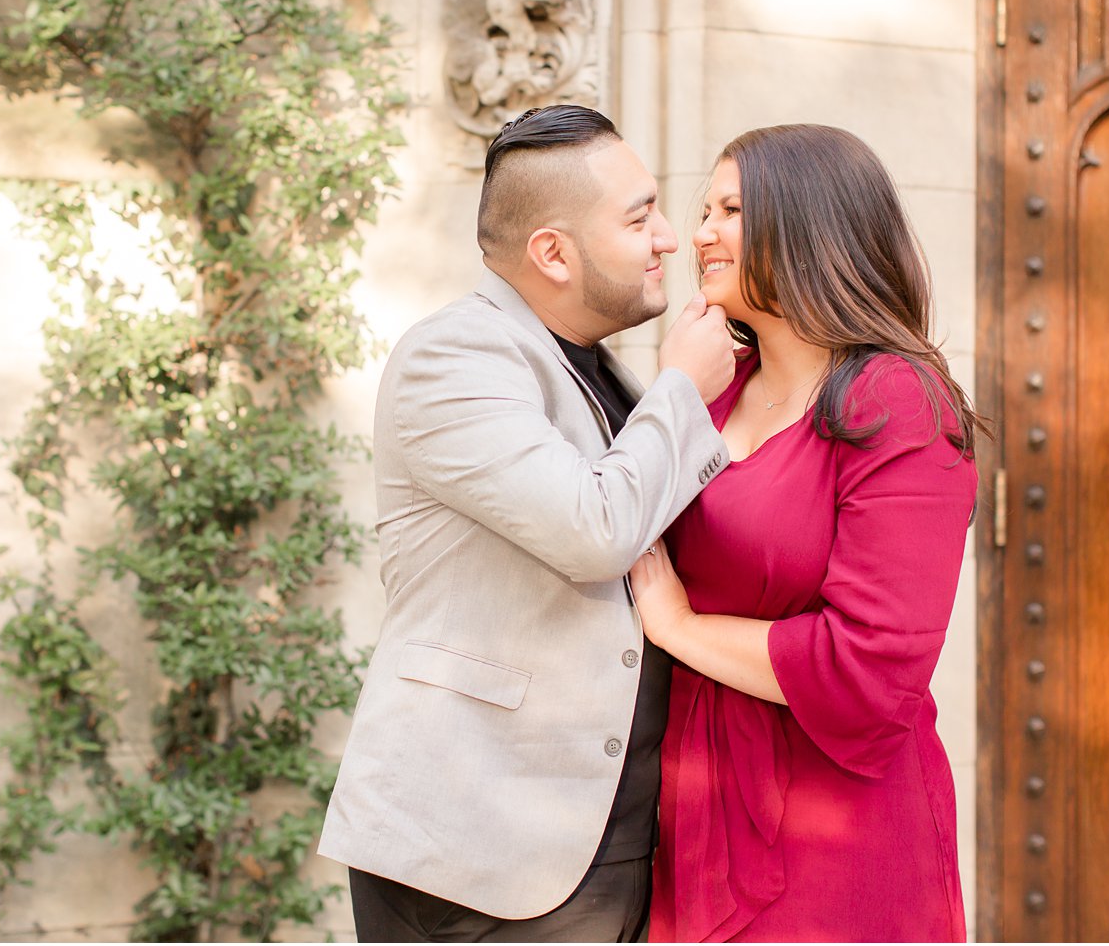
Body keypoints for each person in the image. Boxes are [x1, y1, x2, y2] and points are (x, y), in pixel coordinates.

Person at [318, 105, 737, 942]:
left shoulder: (600, 365)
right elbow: (594, 529)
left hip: (610, 837)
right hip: (477, 844)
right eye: (639, 215)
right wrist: (682, 391)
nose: (668, 238)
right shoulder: (455, 358)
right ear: (552, 252)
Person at [628, 124, 979, 943]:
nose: (698, 233)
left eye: (730, 209)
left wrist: (678, 624)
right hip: (695, 806)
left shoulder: (896, 401)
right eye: (703, 209)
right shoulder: (711, 398)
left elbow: (872, 668)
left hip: (837, 825)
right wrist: (674, 390)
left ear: (809, 222)